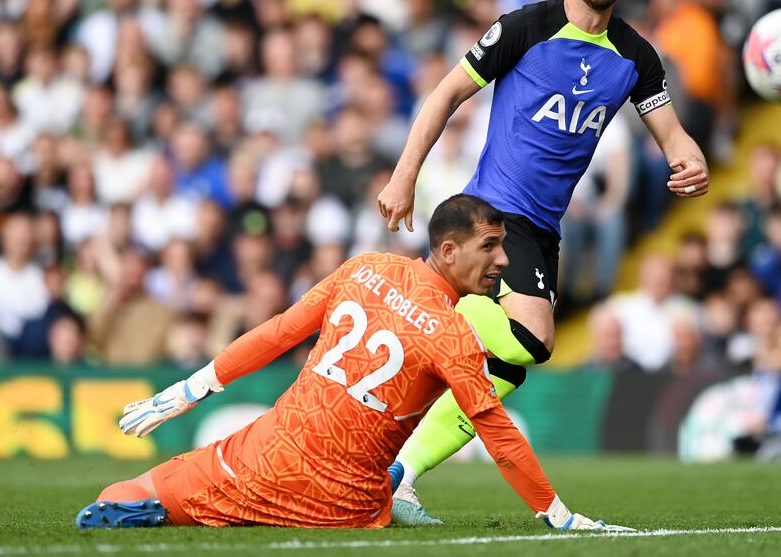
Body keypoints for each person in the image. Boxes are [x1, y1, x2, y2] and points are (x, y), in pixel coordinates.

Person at [377, 0, 709, 524]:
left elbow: (673, 135)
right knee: (533, 338)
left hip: (546, 228)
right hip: (494, 216)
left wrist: (691, 163)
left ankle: (400, 475)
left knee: (508, 367)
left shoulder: (636, 56)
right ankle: (438, 336)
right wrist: (403, 176)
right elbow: (445, 94)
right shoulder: (524, 28)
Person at [74, 195, 629, 533]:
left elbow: (278, 333)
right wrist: (556, 512)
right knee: (381, 465)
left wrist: (189, 390)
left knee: (118, 495)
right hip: (347, 505)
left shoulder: (362, 268)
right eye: (491, 247)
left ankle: (153, 505)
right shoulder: (454, 333)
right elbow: (498, 433)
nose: (504, 261)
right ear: (450, 250)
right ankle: (393, 480)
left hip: (263, 460)